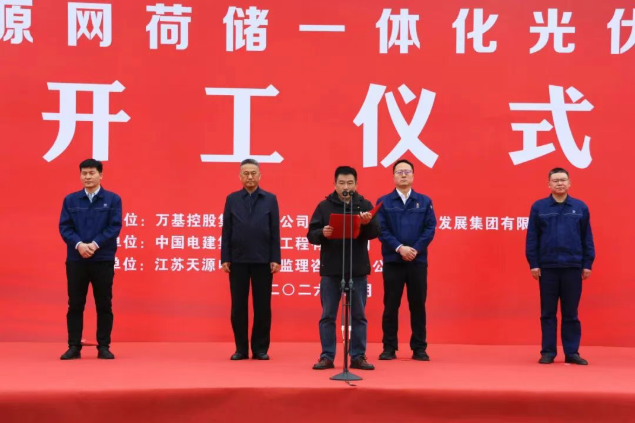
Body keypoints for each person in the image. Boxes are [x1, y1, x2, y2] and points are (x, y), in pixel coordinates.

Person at [308, 166, 380, 371]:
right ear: (334, 184)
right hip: (331, 270)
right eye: (341, 183)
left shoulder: (364, 205)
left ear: (356, 184)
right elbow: (311, 235)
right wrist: (322, 233)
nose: (345, 187)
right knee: (328, 315)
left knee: (358, 316)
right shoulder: (324, 206)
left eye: (350, 183)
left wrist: (367, 223)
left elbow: (376, 232)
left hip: (357, 269)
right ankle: (327, 356)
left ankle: (358, 356)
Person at [526, 167, 595, 365]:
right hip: (547, 268)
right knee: (548, 312)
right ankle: (548, 352)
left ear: (569, 183)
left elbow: (587, 237)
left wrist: (587, 263)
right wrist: (534, 263)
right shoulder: (539, 207)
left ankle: (572, 352)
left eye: (563, 180)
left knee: (571, 313)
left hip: (572, 266)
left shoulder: (580, 207)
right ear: (548, 184)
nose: (559, 183)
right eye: (555, 180)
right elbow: (532, 238)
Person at [59, 158, 122, 360]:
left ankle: (103, 346)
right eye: (84, 173)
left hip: (102, 259)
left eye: (91, 173)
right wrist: (79, 245)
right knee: (75, 304)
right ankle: (73, 346)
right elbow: (65, 227)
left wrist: (94, 245)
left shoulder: (113, 199)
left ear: (100, 175)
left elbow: (114, 227)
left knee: (104, 304)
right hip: (76, 260)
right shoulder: (71, 200)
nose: (87, 177)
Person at [376, 159, 436, 361]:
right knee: (391, 305)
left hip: (417, 261)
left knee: (418, 305)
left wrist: (415, 249)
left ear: (413, 175)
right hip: (393, 261)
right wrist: (400, 248)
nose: (403, 175)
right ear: (393, 176)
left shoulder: (424, 201)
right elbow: (381, 229)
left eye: (407, 171)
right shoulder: (384, 202)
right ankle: (389, 347)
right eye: (399, 172)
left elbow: (430, 228)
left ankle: (419, 347)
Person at [221, 158, 281, 360]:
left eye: (253, 173)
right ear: (240, 176)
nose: (250, 177)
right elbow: (227, 230)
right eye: (246, 173)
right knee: (238, 306)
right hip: (237, 260)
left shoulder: (270, 199)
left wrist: (275, 258)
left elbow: (275, 230)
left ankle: (260, 348)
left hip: (263, 260)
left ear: (260, 175)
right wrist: (225, 257)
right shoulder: (232, 199)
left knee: (262, 306)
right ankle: (241, 349)